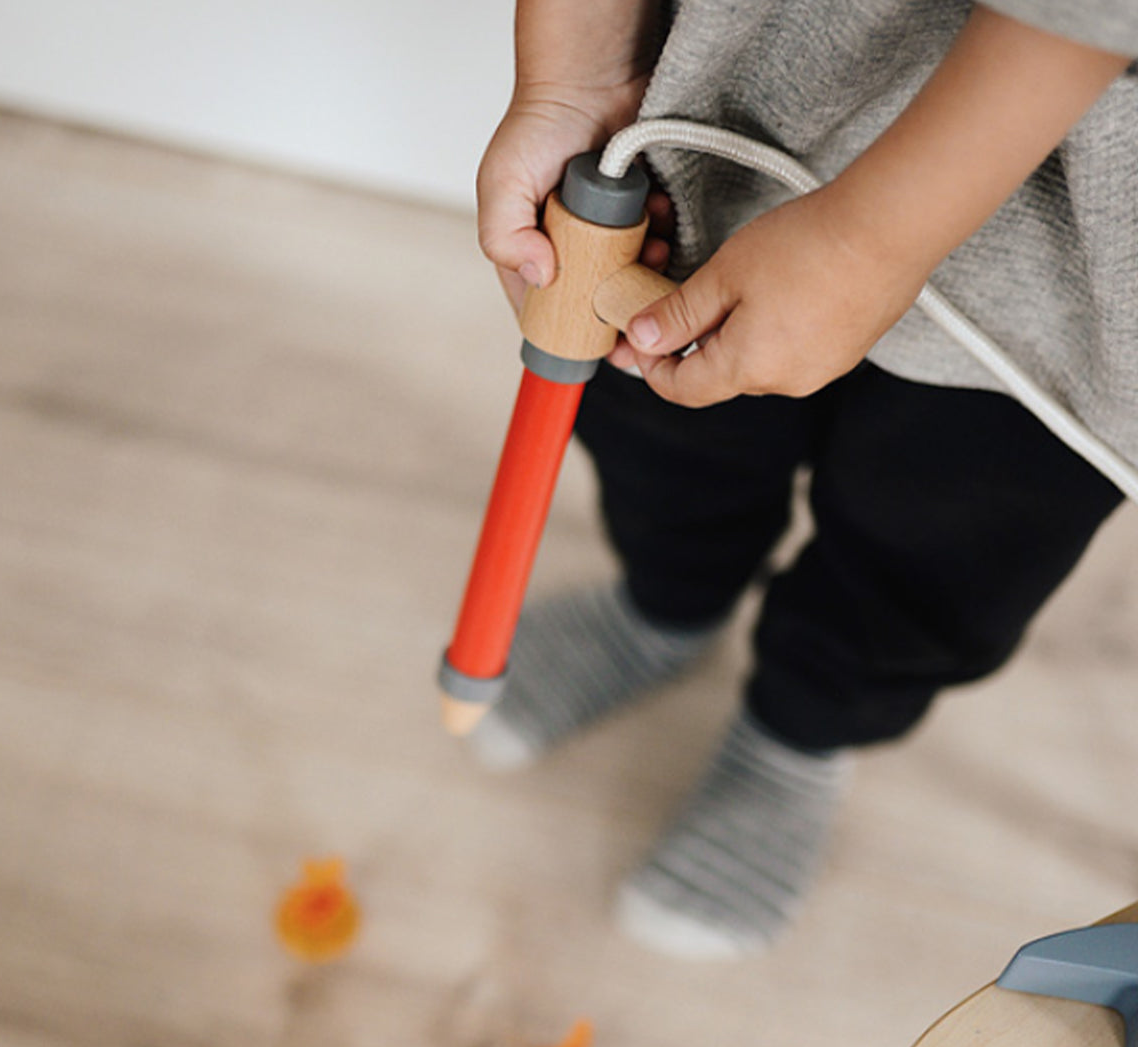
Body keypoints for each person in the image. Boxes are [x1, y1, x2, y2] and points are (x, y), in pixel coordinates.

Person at [470, 0, 1136, 959]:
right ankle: (665, 606)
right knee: (664, 441)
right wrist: (573, 71)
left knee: (947, 541)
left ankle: (801, 729)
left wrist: (875, 238)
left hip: (1074, 264)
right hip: (721, 119)